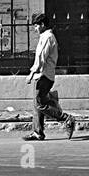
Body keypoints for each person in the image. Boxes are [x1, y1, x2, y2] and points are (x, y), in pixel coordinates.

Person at [24, 13, 76, 141]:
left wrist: (31, 74)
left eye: (36, 26)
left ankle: (65, 118)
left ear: (42, 25)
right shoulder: (46, 36)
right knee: (37, 104)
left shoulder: (47, 37)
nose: (35, 29)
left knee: (40, 104)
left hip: (43, 75)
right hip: (44, 76)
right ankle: (38, 132)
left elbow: (41, 58)